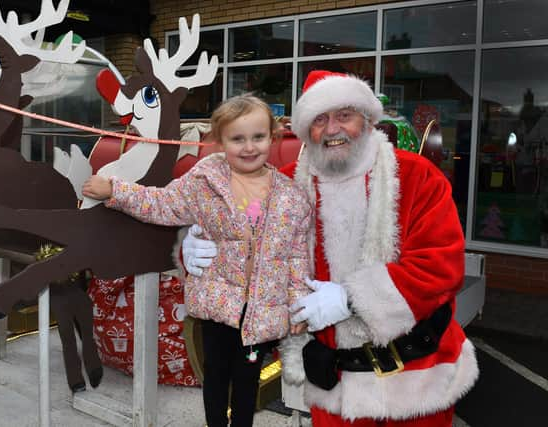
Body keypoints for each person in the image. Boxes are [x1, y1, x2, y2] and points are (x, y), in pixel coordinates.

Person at [182, 71, 479, 427]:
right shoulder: (281, 185)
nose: (332, 129)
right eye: (319, 120)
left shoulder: (417, 176)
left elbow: (441, 267)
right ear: (307, 131)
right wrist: (197, 247)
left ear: (367, 120)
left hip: (418, 380)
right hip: (335, 387)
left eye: (344, 115)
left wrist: (351, 298)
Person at [82, 94, 312, 427]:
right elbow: (163, 203)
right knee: (216, 376)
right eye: (237, 139)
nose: (249, 147)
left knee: (247, 381)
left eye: (258, 137)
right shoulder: (206, 181)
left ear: (273, 137)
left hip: (262, 311)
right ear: (221, 141)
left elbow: (296, 256)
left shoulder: (291, 197)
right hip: (217, 305)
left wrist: (300, 304)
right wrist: (115, 191)